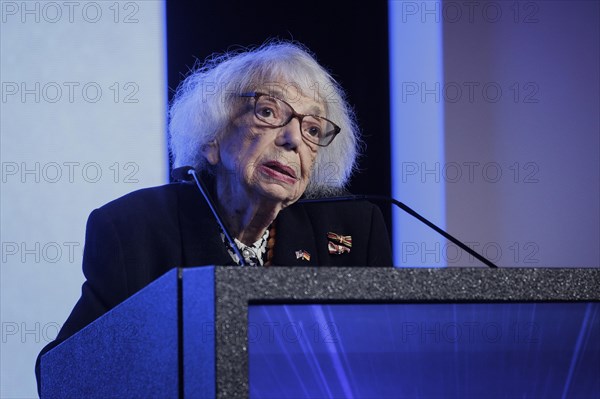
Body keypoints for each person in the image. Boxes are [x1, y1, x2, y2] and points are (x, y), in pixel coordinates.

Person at [35, 40, 392, 392]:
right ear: (213, 138)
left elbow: (390, 362)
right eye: (268, 111)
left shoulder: (353, 230)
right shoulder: (135, 229)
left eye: (312, 129)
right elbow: (63, 375)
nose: (292, 139)